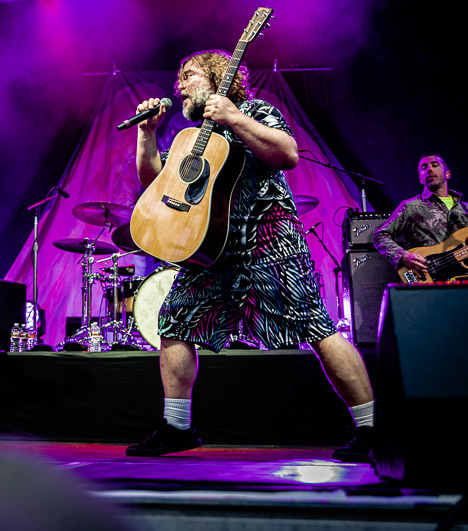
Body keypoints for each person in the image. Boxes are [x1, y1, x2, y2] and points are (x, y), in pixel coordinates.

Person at [126, 49, 375, 462]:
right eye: (178, 79)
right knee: (173, 320)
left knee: (315, 325)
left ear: (216, 77)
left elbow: (287, 154)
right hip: (208, 250)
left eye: (188, 76)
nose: (179, 85)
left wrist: (235, 118)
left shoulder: (256, 110)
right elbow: (155, 183)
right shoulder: (189, 137)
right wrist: (146, 133)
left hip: (267, 239)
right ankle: (177, 427)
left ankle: (371, 427)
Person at [373, 153, 468, 277]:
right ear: (420, 179)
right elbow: (381, 235)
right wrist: (403, 256)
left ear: (447, 174)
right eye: (424, 167)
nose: (429, 169)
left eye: (435, 165)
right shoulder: (411, 206)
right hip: (427, 280)